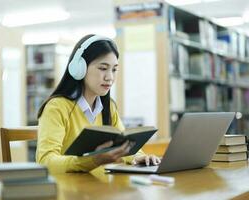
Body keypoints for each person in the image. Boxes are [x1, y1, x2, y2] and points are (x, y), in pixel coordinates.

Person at [36, 34, 161, 174]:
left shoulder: (109, 106)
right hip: (69, 190)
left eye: (114, 69)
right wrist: (94, 160)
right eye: (103, 68)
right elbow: (45, 161)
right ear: (79, 68)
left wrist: (140, 157)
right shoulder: (57, 107)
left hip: (100, 187)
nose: (110, 78)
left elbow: (124, 144)